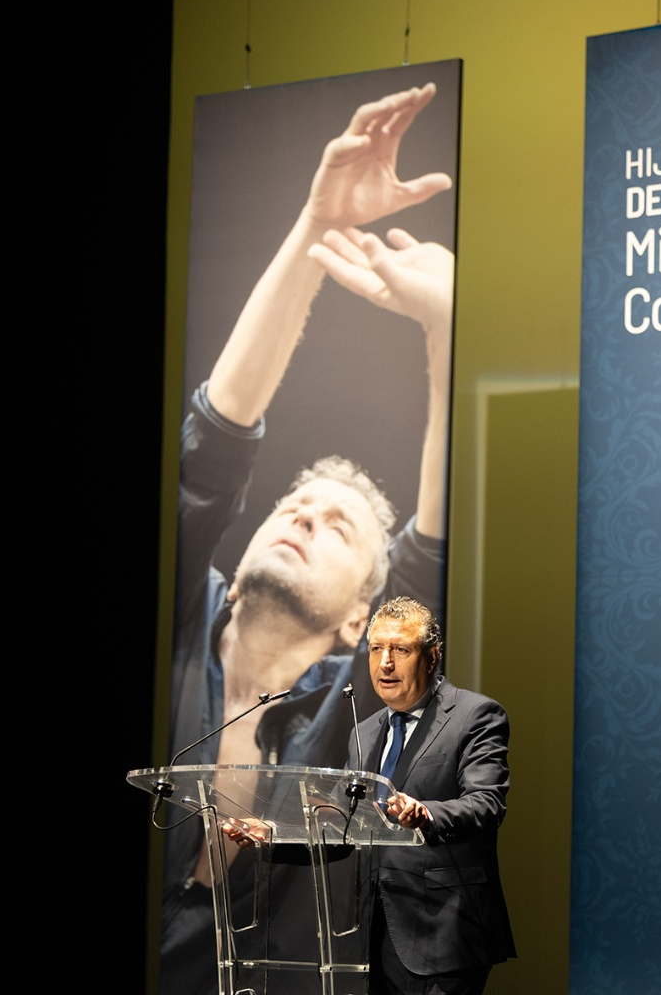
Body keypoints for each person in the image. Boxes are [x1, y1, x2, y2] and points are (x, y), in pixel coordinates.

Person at [161, 83, 457, 994]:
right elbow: (217, 441)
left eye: (339, 528)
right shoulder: (179, 610)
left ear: (357, 621)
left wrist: (448, 333)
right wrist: (317, 226)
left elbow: (429, 562)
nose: (303, 517)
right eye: (296, 504)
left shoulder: (356, 707)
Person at [358, 595, 515, 994]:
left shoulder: (475, 716)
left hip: (445, 929)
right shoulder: (365, 732)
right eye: (376, 649)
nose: (385, 663)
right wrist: (272, 836)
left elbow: (486, 804)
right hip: (375, 934)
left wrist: (425, 814)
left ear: (432, 657)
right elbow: (351, 824)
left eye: (400, 650)